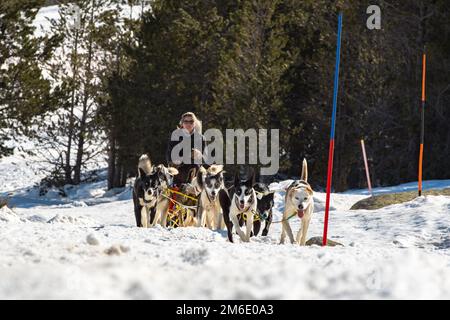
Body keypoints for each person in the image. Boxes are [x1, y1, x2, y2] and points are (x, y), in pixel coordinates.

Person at [166, 112, 208, 186]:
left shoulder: (201, 138)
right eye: (186, 121)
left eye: (191, 121)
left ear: (195, 123)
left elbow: (205, 159)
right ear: (182, 123)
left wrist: (199, 155)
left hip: (194, 171)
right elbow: (169, 154)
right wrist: (172, 161)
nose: (188, 124)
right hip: (178, 169)